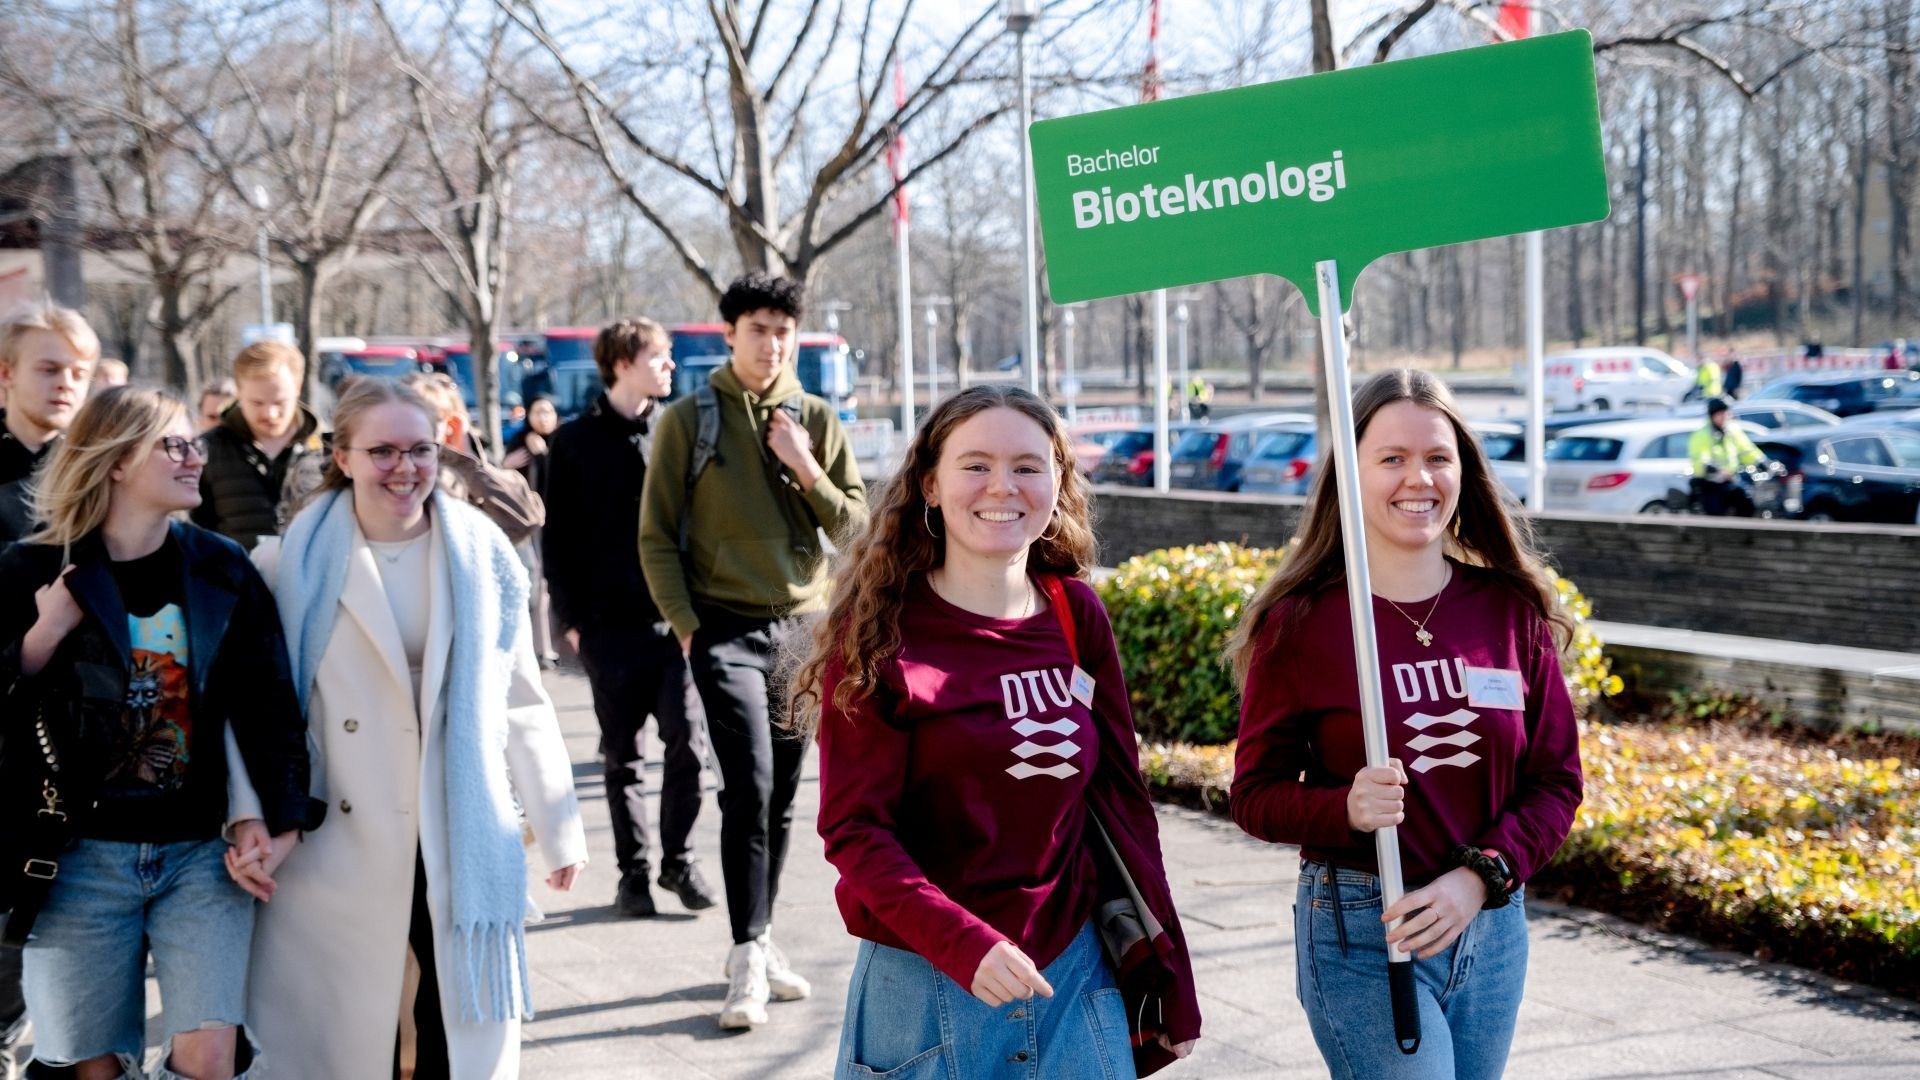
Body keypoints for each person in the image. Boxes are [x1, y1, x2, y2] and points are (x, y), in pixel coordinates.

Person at [796, 385, 1202, 1078]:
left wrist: (1172, 974)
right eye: (976, 464)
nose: (1002, 486)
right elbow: (855, 830)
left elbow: (1123, 805)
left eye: (1027, 465)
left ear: (1057, 483)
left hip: (1074, 971)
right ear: (930, 484)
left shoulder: (1076, 614)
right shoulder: (878, 635)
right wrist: (961, 943)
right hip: (927, 980)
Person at [1226, 369, 1583, 1080]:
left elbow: (1556, 782)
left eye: (1437, 458)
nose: (1418, 478)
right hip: (1363, 931)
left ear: (1463, 472)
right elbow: (1255, 795)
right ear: (1351, 474)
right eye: (1392, 458)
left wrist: (1479, 878)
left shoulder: (1509, 609)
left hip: (1491, 928)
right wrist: (1345, 809)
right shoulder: (1301, 624)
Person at [237, 377, 587, 1079]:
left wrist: (557, 824)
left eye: (421, 450)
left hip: (457, 816)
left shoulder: (483, 554)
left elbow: (519, 695)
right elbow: (252, 708)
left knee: (448, 1031)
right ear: (342, 457)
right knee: (344, 1033)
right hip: (332, 829)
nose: (405, 469)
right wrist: (248, 817)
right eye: (383, 451)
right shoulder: (284, 564)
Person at [0, 386, 316, 1080]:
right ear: (115, 460)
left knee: (210, 1058)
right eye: (172, 444)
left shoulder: (220, 565)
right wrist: (44, 632)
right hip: (75, 858)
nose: (192, 457)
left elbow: (269, 704)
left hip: (200, 855)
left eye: (194, 443)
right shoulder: (34, 569)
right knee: (92, 1068)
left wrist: (282, 819)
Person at [638, 272, 868, 1030]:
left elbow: (856, 536)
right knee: (749, 784)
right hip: (723, 629)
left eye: (783, 330)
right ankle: (745, 958)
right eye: (758, 328)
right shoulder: (686, 422)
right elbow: (655, 534)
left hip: (804, 629)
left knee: (782, 797)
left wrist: (804, 465)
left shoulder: (818, 419)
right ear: (729, 332)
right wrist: (686, 624)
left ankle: (762, 941)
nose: (771, 344)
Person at [543, 322, 714, 918]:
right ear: (621, 364)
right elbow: (557, 538)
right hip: (607, 629)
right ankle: (633, 876)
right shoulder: (573, 444)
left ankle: (680, 862)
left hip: (678, 625)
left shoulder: (677, 433)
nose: (670, 366)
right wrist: (570, 620)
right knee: (621, 758)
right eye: (658, 357)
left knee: (688, 746)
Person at [193, 342, 324, 551]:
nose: (269, 414)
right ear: (238, 392)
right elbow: (196, 530)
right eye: (257, 403)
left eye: (279, 402)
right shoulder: (208, 449)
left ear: (297, 388)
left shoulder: (326, 450)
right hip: (234, 578)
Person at [0, 301, 98, 545]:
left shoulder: (98, 463)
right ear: (6, 374)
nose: (66, 384)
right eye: (49, 369)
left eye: (79, 374)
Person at [503, 395, 560, 669]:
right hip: (527, 525)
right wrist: (505, 464)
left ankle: (555, 645)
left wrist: (545, 456)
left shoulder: (561, 442)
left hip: (559, 522)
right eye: (538, 412)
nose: (543, 418)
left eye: (548, 412)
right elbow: (502, 480)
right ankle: (541, 648)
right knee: (536, 583)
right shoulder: (520, 442)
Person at [1688, 397, 1763, 517]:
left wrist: (1761, 461)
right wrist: (1715, 470)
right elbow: (1700, 460)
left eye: (1726, 413)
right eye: (1720, 414)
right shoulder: (1702, 434)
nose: (1724, 417)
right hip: (1710, 483)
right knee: (1716, 513)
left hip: (1731, 480)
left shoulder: (1732, 430)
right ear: (1712, 416)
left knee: (1747, 500)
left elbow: (1746, 450)